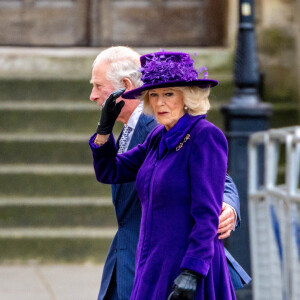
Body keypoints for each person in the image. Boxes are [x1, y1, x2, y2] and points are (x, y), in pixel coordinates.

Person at [89, 47, 249, 300]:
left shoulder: (204, 135)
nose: (160, 102)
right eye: (153, 95)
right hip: (152, 263)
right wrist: (104, 129)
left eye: (169, 94)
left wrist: (192, 271)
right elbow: (111, 170)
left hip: (189, 266)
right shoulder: (158, 136)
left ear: (187, 96)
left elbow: (206, 211)